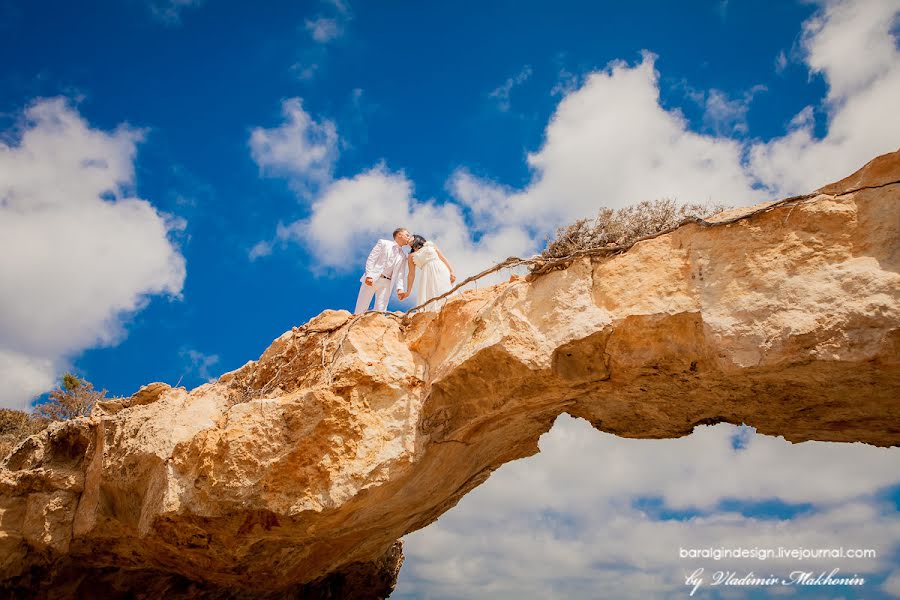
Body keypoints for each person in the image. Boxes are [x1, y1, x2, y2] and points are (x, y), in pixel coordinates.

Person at [354, 228, 414, 314]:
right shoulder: (383, 243)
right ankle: (355, 325)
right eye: (407, 235)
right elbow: (371, 259)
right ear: (399, 235)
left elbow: (401, 274)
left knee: (380, 311)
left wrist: (400, 289)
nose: (409, 238)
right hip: (373, 278)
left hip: (387, 283)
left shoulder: (403, 256)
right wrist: (369, 275)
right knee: (361, 306)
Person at [399, 235, 457, 312]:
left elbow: (442, 258)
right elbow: (411, 274)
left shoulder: (430, 245)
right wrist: (408, 292)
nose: (408, 237)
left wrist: (452, 271)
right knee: (432, 295)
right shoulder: (411, 256)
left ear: (417, 238)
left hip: (440, 269)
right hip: (427, 275)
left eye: (410, 236)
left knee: (445, 289)